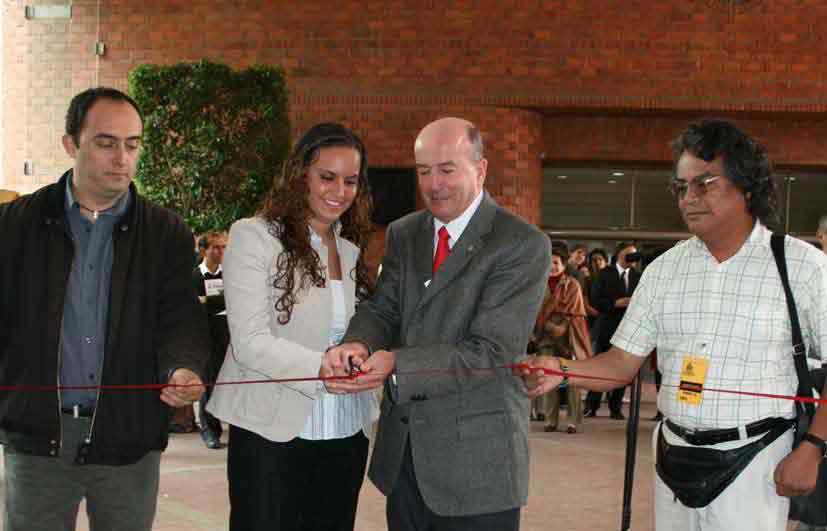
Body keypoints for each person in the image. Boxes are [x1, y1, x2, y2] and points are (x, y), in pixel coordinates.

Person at [519, 119, 827, 531]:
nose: (689, 199)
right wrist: (560, 372)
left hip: (757, 462)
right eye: (681, 187)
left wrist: (812, 448)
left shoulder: (802, 267)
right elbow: (622, 363)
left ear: (747, 187)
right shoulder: (665, 270)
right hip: (671, 456)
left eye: (705, 184)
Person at [323, 117, 551, 531]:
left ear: (479, 170)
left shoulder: (521, 244)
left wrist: (396, 364)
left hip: (478, 468)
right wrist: (357, 343)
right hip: (405, 460)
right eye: (424, 171)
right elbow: (384, 308)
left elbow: (490, 352)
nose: (433, 183)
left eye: (447, 169)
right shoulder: (405, 232)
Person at [0, 87, 209, 531]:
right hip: (37, 438)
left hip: (127, 437)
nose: (122, 158)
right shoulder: (15, 225)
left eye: (132, 145)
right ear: (71, 144)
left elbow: (181, 318)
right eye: (106, 143)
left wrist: (184, 367)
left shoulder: (166, 232)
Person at [206, 123, 379, 531]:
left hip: (344, 432)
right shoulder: (254, 236)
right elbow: (249, 342)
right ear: (300, 174)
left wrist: (368, 355)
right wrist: (323, 366)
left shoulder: (351, 251)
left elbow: (359, 332)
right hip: (271, 432)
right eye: (327, 177)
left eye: (351, 181)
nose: (339, 190)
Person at [534, 241, 593, 433]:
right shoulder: (538, 284)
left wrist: (562, 327)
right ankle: (550, 420)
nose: (552, 266)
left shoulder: (572, 284)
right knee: (548, 378)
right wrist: (546, 326)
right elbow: (531, 311)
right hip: (545, 337)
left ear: (564, 264)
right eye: (549, 262)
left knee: (570, 380)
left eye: (556, 263)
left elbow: (577, 314)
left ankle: (572, 421)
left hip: (569, 339)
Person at [583, 241, 640, 420]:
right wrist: (615, 303)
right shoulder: (604, 274)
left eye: (634, 255)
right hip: (606, 326)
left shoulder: (639, 277)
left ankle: (616, 407)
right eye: (628, 254)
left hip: (628, 328)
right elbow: (594, 300)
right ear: (619, 254)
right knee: (600, 366)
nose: (632, 259)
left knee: (623, 368)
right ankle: (592, 405)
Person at [192, 230, 230, 449]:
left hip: (231, 335)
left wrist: (208, 300)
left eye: (224, 247)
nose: (221, 251)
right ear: (204, 250)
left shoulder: (232, 273)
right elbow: (194, 305)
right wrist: (219, 301)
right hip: (207, 335)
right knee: (209, 382)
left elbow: (235, 299)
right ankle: (209, 430)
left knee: (231, 383)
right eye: (216, 247)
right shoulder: (194, 276)